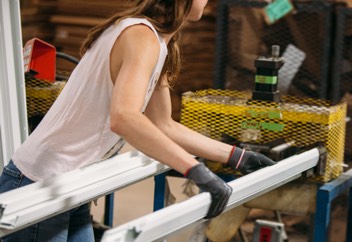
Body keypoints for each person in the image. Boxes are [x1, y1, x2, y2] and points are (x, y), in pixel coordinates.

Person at [0, 1, 276, 241]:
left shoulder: (159, 43)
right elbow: (124, 118)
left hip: (71, 183)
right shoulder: (140, 35)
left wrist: (237, 157)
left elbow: (163, 124)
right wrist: (196, 171)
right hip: (38, 184)